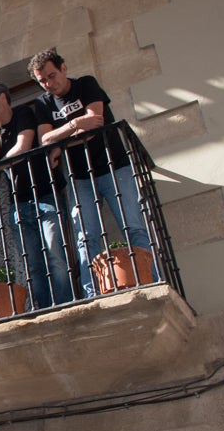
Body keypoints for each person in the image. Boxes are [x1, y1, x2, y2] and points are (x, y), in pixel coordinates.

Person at [28, 48, 154, 298]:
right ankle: (91, 293)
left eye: (52, 76)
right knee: (86, 237)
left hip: (114, 165)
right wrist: (75, 124)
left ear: (64, 68)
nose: (49, 84)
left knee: (134, 226)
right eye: (42, 81)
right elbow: (45, 140)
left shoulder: (86, 84)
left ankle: (152, 279)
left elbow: (95, 122)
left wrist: (60, 142)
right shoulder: (43, 103)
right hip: (79, 178)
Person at [0, 79, 73, 309]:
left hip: (46, 195)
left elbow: (23, 146)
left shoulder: (23, 113)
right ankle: (44, 309)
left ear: (2, 98)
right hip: (19, 203)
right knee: (33, 264)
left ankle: (67, 304)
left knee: (56, 255)